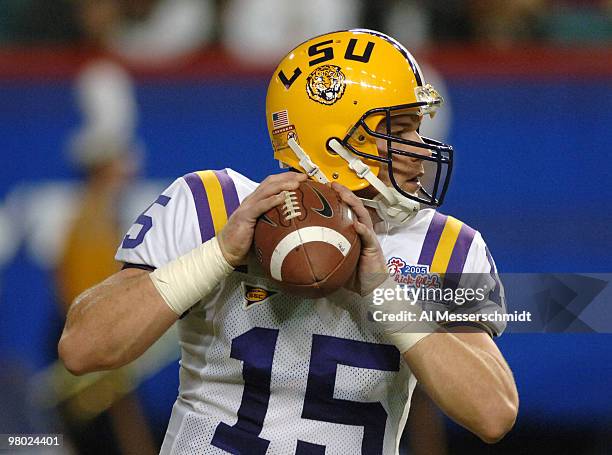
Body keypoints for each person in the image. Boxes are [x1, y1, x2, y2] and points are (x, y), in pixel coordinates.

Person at [58, 29, 518, 454]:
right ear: (331, 140)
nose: (419, 148)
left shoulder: (447, 246)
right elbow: (83, 349)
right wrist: (218, 254)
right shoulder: (211, 205)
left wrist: (384, 294)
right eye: (397, 130)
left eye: (417, 128)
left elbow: (492, 413)